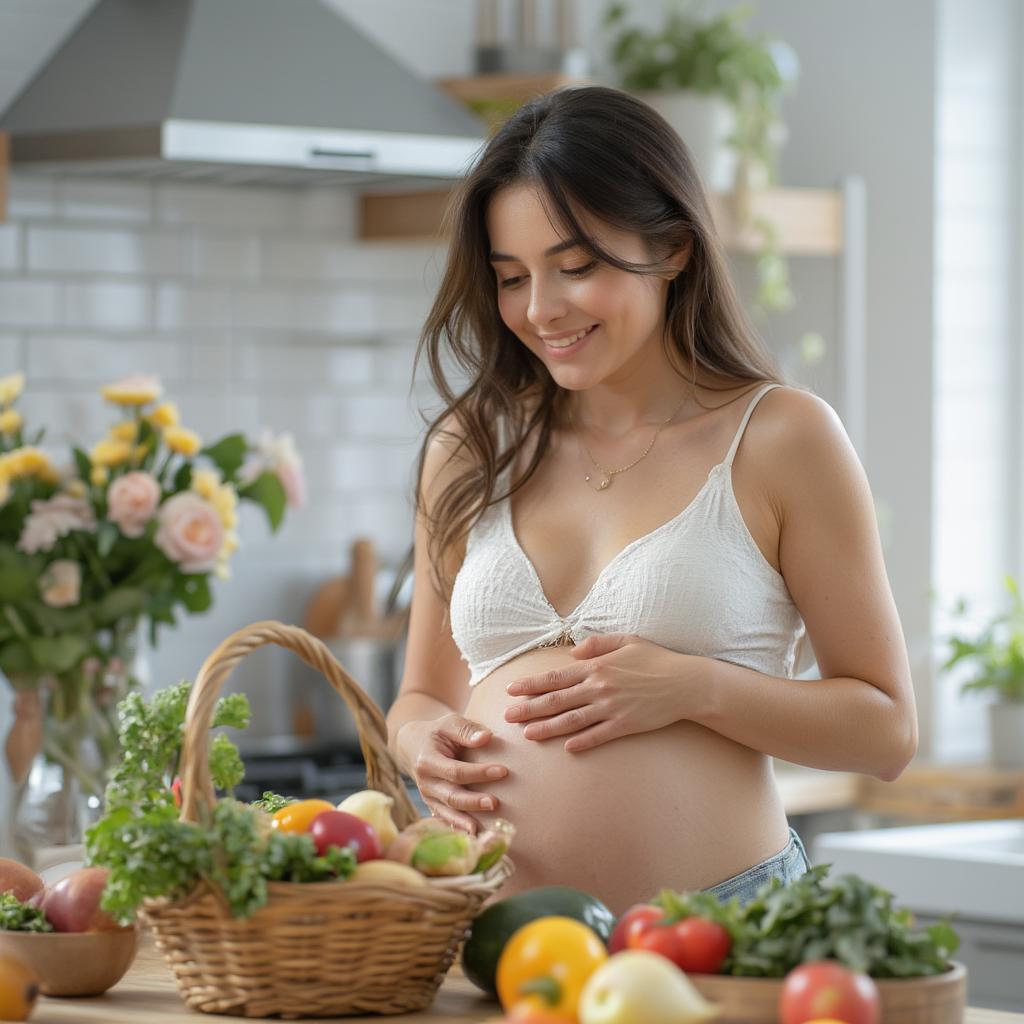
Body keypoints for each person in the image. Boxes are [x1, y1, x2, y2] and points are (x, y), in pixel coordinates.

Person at [385, 85, 917, 914]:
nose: (540, 309)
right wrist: (423, 744)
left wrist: (692, 688)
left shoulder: (781, 438)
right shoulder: (470, 447)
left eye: (576, 267)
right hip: (494, 936)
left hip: (726, 930)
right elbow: (420, 695)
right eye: (511, 277)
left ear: (672, 248)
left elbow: (885, 731)